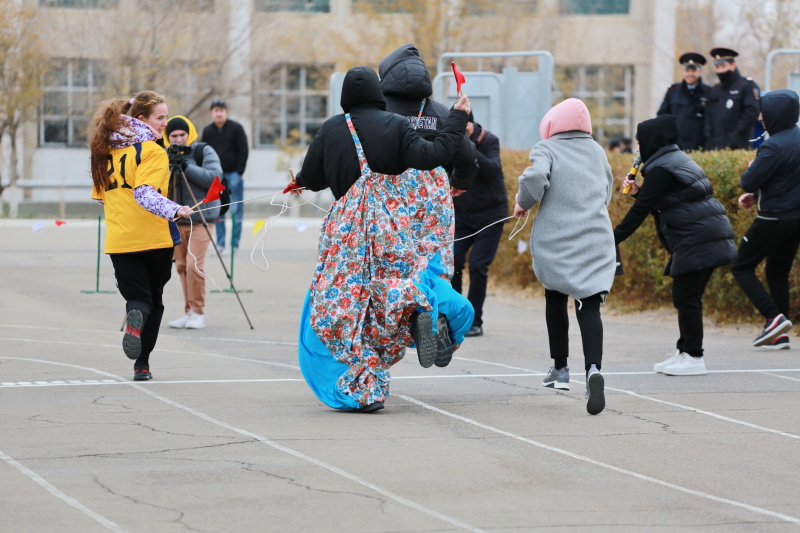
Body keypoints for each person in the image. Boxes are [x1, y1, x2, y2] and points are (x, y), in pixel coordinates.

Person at [293, 66, 474, 412]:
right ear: (378, 94)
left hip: (347, 232)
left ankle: (360, 376)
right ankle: (413, 308)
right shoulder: (396, 125)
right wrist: (456, 118)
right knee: (392, 281)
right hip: (390, 225)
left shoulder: (332, 128)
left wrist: (298, 180)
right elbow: (433, 156)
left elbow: (313, 178)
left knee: (343, 298)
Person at [513, 98, 616, 416]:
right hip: (596, 238)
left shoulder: (546, 148)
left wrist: (523, 202)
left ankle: (560, 370)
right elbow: (608, 189)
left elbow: (534, 179)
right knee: (589, 305)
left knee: (555, 294)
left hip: (557, 240)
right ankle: (593, 370)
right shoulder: (597, 151)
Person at [615, 114, 737, 376]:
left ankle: (694, 357)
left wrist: (611, 238)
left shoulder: (661, 169)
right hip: (703, 234)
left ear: (652, 140)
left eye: (640, 141)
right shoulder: (672, 161)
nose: (637, 147)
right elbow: (668, 201)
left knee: (685, 297)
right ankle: (684, 351)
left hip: (698, 237)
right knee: (687, 296)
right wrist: (638, 192)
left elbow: (641, 212)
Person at [89, 91, 194, 381]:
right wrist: (175, 210)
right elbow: (144, 193)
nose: (165, 123)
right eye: (160, 118)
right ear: (140, 120)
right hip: (155, 238)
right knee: (155, 301)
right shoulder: (151, 151)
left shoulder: (104, 152)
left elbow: (101, 199)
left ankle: (134, 320)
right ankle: (142, 365)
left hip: (120, 240)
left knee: (138, 298)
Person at [731, 89, 800, 349]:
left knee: (740, 266)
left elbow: (747, 180)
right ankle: (780, 334)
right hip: (795, 219)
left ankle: (773, 317)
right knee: (777, 272)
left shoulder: (772, 145)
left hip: (773, 218)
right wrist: (757, 194)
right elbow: (787, 179)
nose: (760, 117)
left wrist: (751, 175)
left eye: (764, 112)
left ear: (776, 114)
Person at [378, 43, 478, 194]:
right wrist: (461, 182)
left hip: (380, 199)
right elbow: (466, 155)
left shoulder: (374, 110)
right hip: (429, 202)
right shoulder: (441, 112)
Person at [451, 111, 508, 337]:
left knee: (477, 265)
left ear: (469, 124)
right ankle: (456, 318)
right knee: (452, 263)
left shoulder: (489, 140)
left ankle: (475, 321)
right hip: (463, 214)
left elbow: (492, 171)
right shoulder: (452, 141)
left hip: (491, 216)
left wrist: (467, 146)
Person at [164, 116, 223, 330]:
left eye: (182, 135)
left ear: (189, 133)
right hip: (177, 220)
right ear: (167, 138)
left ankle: (198, 312)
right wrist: (170, 166)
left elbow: (215, 178)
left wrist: (187, 167)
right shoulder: (165, 155)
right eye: (174, 136)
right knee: (181, 267)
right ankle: (188, 311)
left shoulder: (202, 151)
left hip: (201, 219)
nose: (179, 139)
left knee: (194, 265)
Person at [201, 99, 248, 255]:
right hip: (216, 178)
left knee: (236, 210)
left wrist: (239, 171)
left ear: (226, 112)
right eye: (216, 110)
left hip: (233, 175)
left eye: (221, 110)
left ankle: (234, 244)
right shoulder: (207, 131)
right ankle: (220, 244)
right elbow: (203, 152)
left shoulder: (236, 128)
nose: (219, 113)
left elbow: (243, 150)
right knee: (218, 210)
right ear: (211, 113)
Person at [704, 48, 760, 150]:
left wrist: (735, 134)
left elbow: (751, 114)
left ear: (733, 65)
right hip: (715, 147)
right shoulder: (715, 90)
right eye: (717, 67)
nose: (720, 70)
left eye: (723, 66)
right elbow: (709, 116)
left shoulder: (746, 86)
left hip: (739, 146)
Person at [657, 52, 712, 151]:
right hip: (676, 146)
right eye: (687, 70)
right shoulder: (672, 91)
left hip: (700, 148)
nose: (690, 74)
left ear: (699, 71)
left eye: (694, 70)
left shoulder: (709, 92)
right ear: (683, 71)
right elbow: (662, 117)